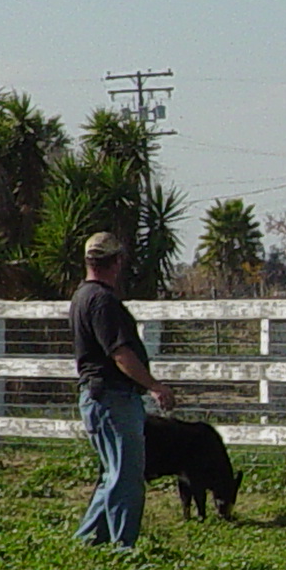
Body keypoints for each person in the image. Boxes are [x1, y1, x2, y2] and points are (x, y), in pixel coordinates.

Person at [69, 232, 175, 548]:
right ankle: (122, 545)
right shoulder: (103, 301)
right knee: (126, 476)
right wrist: (154, 385)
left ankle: (90, 538)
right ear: (116, 262)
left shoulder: (81, 297)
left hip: (98, 396)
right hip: (113, 395)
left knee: (111, 474)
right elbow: (120, 353)